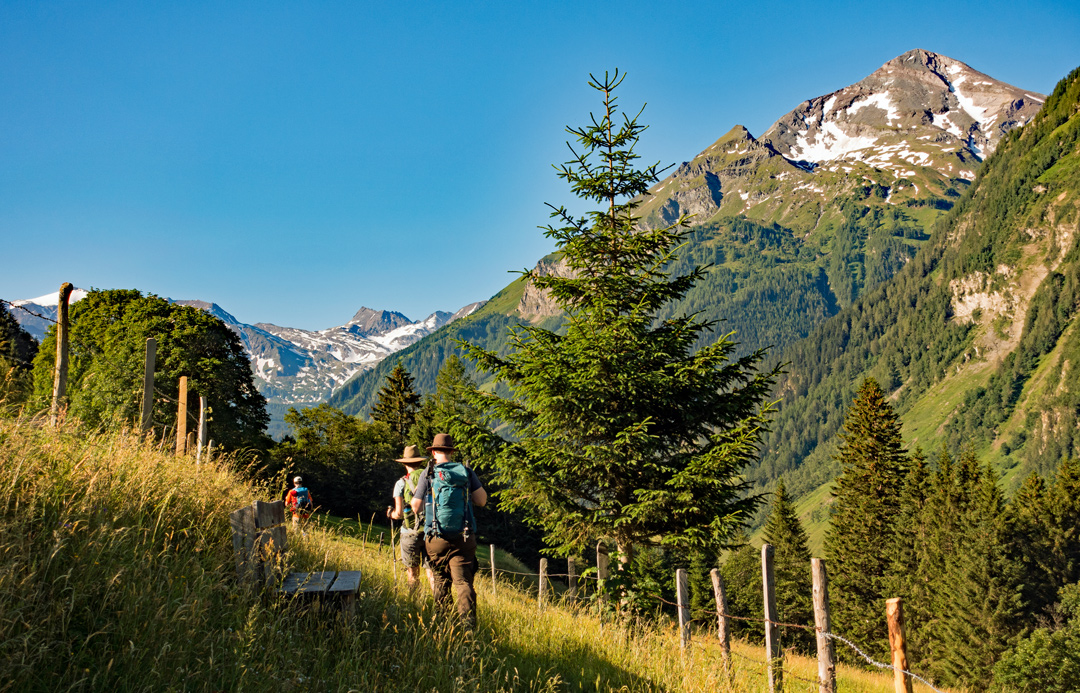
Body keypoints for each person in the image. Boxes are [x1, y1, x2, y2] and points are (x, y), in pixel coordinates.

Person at [410, 433, 487, 629]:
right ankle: (468, 628)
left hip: (436, 538)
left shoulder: (429, 472)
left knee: (440, 581)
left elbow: (416, 506)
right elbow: (482, 500)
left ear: (434, 452)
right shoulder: (466, 472)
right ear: (452, 451)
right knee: (463, 582)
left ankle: (444, 627)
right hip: (463, 536)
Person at [386, 445, 435, 594]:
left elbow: (399, 513)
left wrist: (390, 514)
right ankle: (440, 607)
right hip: (430, 532)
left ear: (404, 463)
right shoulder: (430, 479)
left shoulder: (401, 483)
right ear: (420, 462)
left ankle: (415, 605)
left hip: (410, 533)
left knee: (412, 574)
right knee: (432, 573)